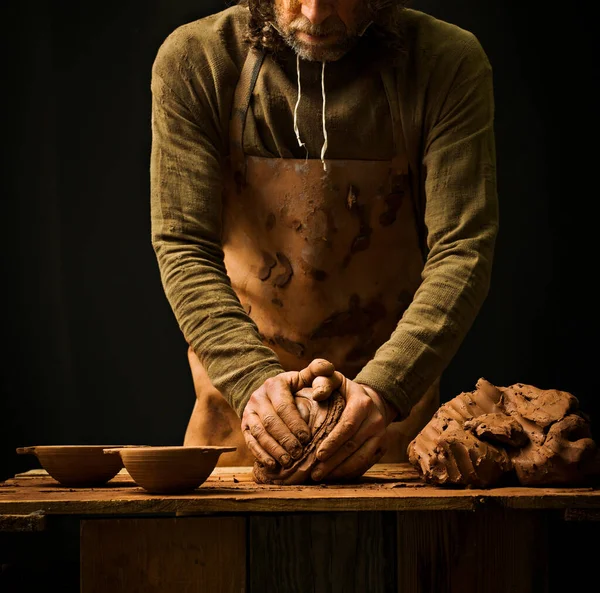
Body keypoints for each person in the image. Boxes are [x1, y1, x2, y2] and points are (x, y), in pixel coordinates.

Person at [149, 0, 498, 482]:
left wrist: (383, 391)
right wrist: (252, 382)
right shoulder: (197, 59)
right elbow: (184, 244)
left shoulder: (446, 61)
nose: (313, 16)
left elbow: (463, 249)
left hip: (387, 435)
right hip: (238, 424)